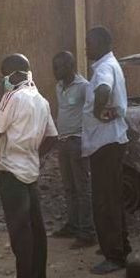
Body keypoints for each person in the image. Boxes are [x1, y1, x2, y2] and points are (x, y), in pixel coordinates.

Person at [0, 54, 58, 278]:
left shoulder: (12, 97)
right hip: (30, 170)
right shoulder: (41, 100)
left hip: (12, 172)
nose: (2, 79)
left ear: (14, 74)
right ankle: (39, 276)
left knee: (20, 230)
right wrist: (34, 155)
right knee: (36, 228)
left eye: (4, 74)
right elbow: (52, 137)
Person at [82, 27, 132, 274]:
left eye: (89, 43)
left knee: (104, 202)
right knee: (112, 199)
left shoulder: (104, 68)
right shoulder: (110, 64)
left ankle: (114, 256)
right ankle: (120, 247)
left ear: (102, 43)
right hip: (109, 142)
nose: (85, 48)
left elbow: (103, 89)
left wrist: (96, 110)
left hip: (105, 144)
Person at [50, 51, 95, 249]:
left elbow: (93, 114)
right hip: (63, 141)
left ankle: (86, 232)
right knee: (68, 187)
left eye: (57, 66)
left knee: (82, 188)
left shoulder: (84, 87)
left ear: (69, 66)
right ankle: (73, 225)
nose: (54, 71)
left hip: (77, 142)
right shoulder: (59, 86)